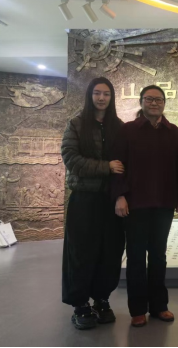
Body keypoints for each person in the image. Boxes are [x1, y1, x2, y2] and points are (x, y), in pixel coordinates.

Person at [112, 85, 178, 328]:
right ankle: (137, 309)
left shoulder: (173, 132)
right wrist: (120, 195)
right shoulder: (128, 130)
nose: (154, 103)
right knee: (135, 257)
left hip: (163, 204)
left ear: (164, 103)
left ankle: (159, 306)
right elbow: (117, 166)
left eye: (158, 99)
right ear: (141, 102)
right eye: (149, 99)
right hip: (135, 205)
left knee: (158, 256)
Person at [61, 77, 125, 331]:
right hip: (84, 198)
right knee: (81, 252)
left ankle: (101, 298)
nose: (101, 98)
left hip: (111, 200)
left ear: (111, 98)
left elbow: (126, 163)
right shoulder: (76, 124)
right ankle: (80, 303)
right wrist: (105, 167)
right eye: (97, 93)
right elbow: (70, 158)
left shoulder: (118, 127)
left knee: (110, 252)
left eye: (106, 94)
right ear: (90, 95)